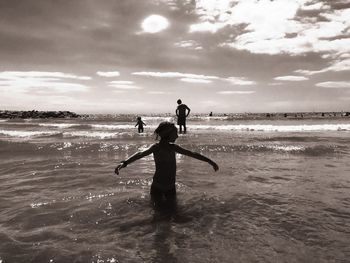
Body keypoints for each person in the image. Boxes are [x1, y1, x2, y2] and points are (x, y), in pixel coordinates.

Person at [115, 122, 219, 208]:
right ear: (167, 134)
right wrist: (123, 163)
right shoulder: (161, 147)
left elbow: (192, 154)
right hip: (160, 186)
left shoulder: (170, 147)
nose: (177, 136)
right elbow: (140, 154)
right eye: (175, 133)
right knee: (165, 213)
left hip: (166, 186)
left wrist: (209, 161)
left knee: (165, 212)